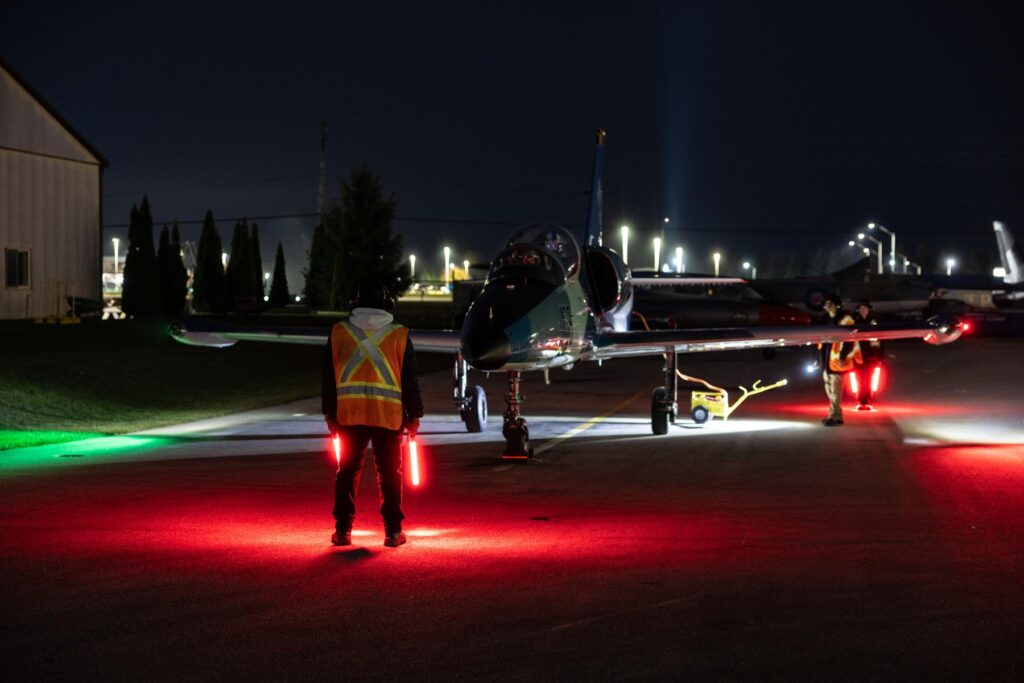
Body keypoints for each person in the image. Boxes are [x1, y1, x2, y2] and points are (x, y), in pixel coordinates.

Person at [322, 282, 423, 548]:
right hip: (387, 416)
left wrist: (330, 413)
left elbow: (328, 377)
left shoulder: (339, 332)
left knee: (346, 472)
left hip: (349, 413)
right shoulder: (400, 334)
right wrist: (415, 415)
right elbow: (409, 379)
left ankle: (342, 531)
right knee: (390, 473)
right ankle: (392, 532)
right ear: (386, 304)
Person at [819, 293, 860, 426]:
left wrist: (843, 356)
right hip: (826, 360)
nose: (827, 306)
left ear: (836, 305)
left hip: (838, 361)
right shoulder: (824, 320)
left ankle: (833, 416)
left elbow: (850, 340)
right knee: (829, 389)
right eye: (826, 304)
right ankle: (838, 416)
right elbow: (819, 340)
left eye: (829, 303)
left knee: (835, 389)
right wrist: (818, 358)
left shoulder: (846, 318)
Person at [852, 300, 882, 410]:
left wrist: (880, 357)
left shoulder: (874, 323)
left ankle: (868, 401)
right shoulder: (854, 323)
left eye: (865, 308)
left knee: (869, 379)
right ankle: (860, 401)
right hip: (858, 356)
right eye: (861, 309)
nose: (863, 310)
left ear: (869, 310)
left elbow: (880, 340)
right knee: (859, 379)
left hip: (871, 357)